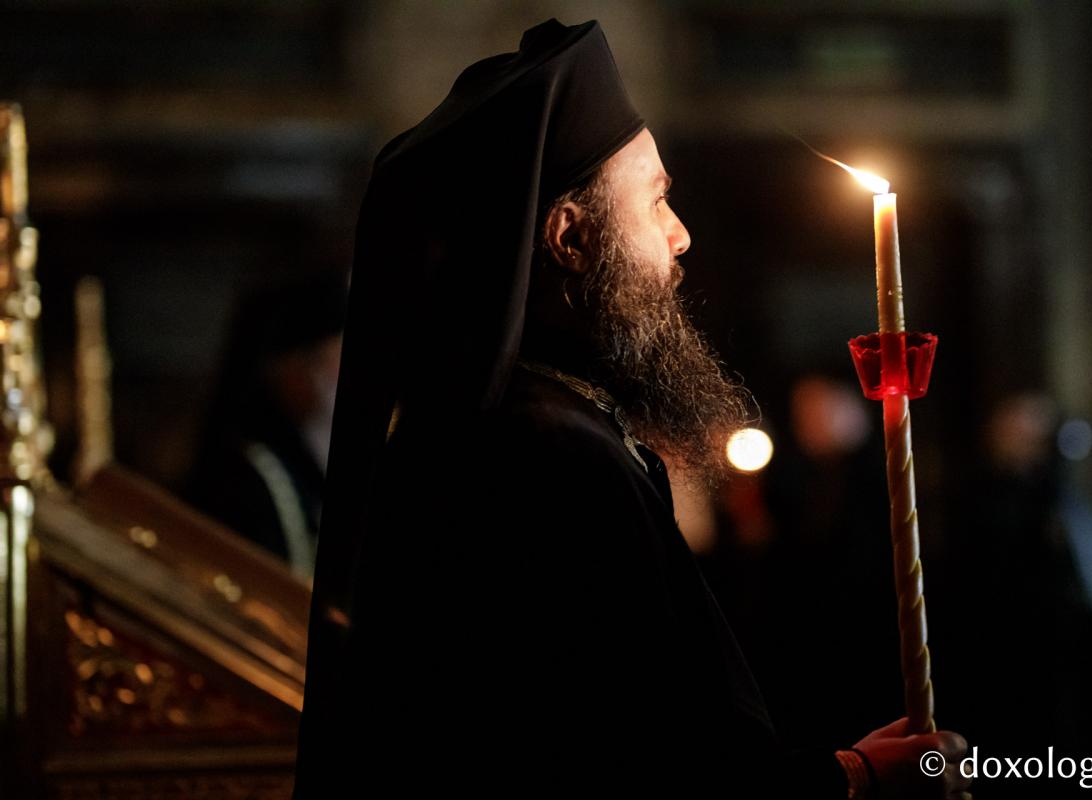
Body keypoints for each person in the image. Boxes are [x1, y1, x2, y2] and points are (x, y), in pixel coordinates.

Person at [294, 19, 971, 798]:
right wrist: (857, 778)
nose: (680, 237)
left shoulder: (517, 425)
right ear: (571, 237)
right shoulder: (549, 457)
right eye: (656, 202)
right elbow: (649, 771)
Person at [187, 274, 345, 580]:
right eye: (330, 360)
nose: (332, 379)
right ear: (290, 366)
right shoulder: (243, 477)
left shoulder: (302, 462)